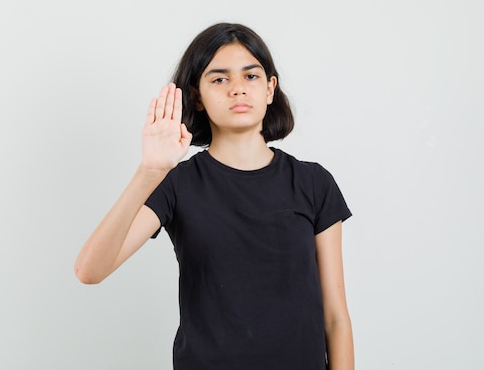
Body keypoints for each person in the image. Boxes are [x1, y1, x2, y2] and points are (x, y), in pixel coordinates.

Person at [75, 22, 354, 370]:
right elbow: (90, 270)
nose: (237, 89)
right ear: (197, 97)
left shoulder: (313, 182)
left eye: (250, 77)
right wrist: (149, 172)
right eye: (219, 79)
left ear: (270, 89)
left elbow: (336, 318)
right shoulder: (176, 183)